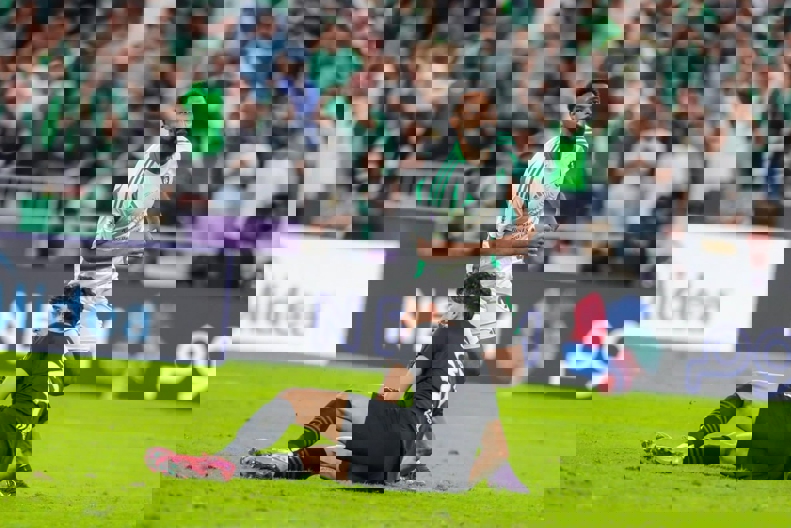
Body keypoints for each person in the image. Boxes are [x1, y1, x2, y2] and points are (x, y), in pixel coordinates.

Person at [234, 282, 488, 485]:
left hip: (406, 423)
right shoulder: (469, 350)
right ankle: (288, 462)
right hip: (418, 430)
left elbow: (406, 379)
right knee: (356, 461)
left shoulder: (443, 334)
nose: (446, 308)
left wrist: (386, 401)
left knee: (350, 439)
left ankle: (285, 461)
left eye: (452, 304)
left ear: (459, 310)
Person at [0, 285, 85, 495]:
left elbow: (11, 383)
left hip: (30, 405)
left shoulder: (49, 345)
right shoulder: (52, 348)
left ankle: (6, 480)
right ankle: (11, 478)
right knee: (13, 434)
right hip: (33, 403)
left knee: (7, 431)